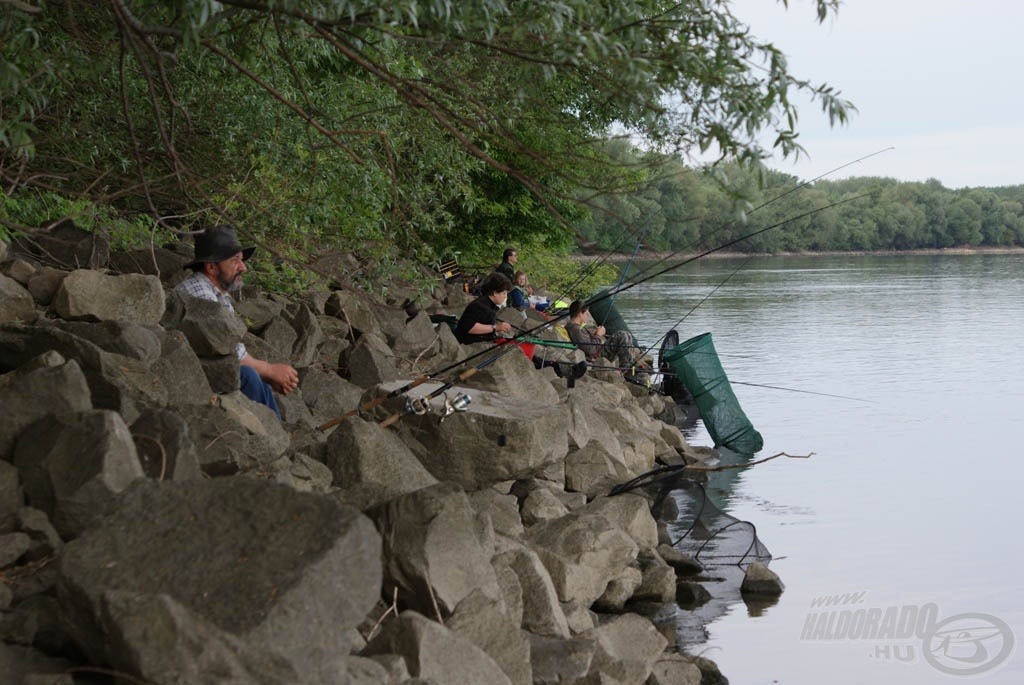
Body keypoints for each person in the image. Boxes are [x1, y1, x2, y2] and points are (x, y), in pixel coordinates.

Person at [175, 225, 298, 418]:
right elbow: (230, 352)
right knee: (247, 376)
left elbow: (232, 348)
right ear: (211, 267)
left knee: (254, 377)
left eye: (241, 260)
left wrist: (267, 373)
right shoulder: (201, 295)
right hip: (189, 373)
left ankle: (276, 431)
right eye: (235, 261)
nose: (243, 267)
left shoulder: (218, 295)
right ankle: (275, 438)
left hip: (207, 366)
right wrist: (269, 370)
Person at [565, 299, 637, 371]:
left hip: (597, 350)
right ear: (580, 313)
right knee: (623, 335)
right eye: (586, 314)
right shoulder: (576, 329)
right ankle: (626, 369)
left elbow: (586, 343)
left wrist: (595, 334)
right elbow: (590, 350)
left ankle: (628, 365)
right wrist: (599, 335)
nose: (587, 316)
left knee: (626, 335)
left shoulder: (574, 327)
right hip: (597, 355)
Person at [454, 272, 514, 344]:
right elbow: (468, 327)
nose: (505, 296)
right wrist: (496, 327)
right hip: (468, 346)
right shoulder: (479, 306)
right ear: (495, 293)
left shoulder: (486, 303)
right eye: (504, 293)